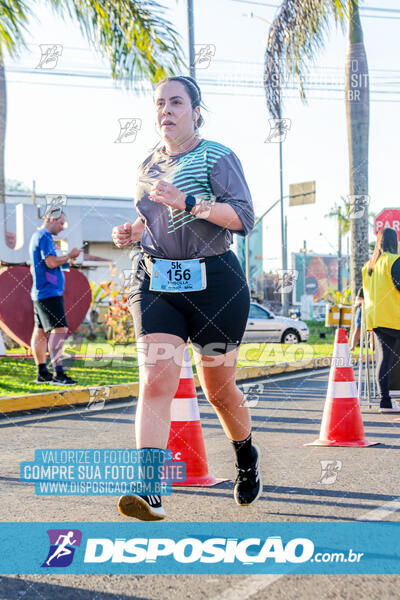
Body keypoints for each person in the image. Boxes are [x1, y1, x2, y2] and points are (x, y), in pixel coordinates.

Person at [112, 75, 261, 521]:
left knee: (217, 390)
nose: (166, 111)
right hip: (157, 281)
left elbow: (243, 217)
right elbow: (152, 221)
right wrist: (131, 232)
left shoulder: (218, 156)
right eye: (160, 103)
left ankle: (245, 456)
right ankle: (149, 489)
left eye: (176, 102)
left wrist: (189, 201)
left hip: (216, 284)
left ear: (196, 111)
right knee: (157, 380)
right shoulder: (147, 164)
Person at [29, 208, 81, 385]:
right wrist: (69, 255)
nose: (63, 227)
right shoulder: (44, 236)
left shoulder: (37, 236)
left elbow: (43, 265)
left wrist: (66, 260)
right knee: (59, 330)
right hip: (49, 293)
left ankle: (43, 373)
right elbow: (51, 262)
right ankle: (58, 373)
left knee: (41, 332)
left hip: (41, 292)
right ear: (51, 219)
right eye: (61, 223)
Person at [362, 227, 400, 413]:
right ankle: (386, 402)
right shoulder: (394, 261)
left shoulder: (370, 265)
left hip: (376, 318)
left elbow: (365, 292)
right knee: (387, 359)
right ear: (395, 242)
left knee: (385, 359)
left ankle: (385, 401)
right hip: (393, 317)